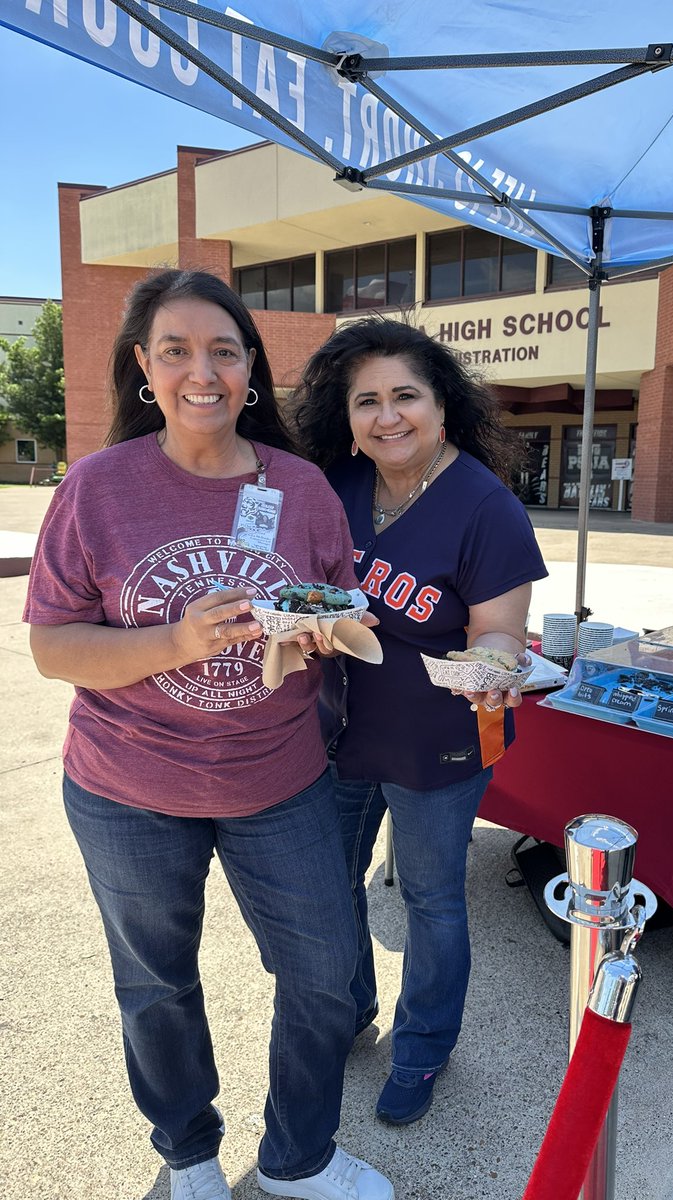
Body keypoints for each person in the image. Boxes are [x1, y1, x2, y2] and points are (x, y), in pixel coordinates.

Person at [23, 270, 393, 1200]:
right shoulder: (97, 486)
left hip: (280, 778)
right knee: (156, 983)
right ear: (144, 367)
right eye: (177, 350)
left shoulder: (300, 487)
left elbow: (339, 605)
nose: (203, 371)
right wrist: (177, 642)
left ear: (250, 369)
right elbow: (53, 649)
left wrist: (329, 630)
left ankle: (297, 1157)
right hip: (126, 787)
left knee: (325, 972)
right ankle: (188, 1151)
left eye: (224, 350)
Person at [292, 317, 548, 1126]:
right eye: (366, 400)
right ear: (347, 416)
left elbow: (500, 630)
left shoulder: (486, 507)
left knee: (432, 899)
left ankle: (424, 1047)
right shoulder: (337, 484)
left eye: (405, 395)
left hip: (438, 742)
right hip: (336, 733)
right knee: (331, 887)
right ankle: (349, 1010)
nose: (387, 416)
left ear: (442, 406)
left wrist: (494, 667)